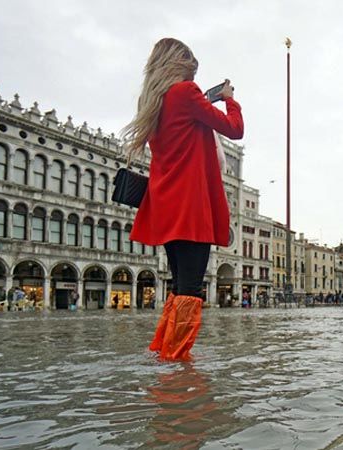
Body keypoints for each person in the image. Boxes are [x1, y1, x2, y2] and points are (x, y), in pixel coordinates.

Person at [125, 38, 243, 361]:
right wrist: (229, 100)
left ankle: (165, 355)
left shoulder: (152, 102)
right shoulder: (186, 94)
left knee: (179, 287)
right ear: (180, 66)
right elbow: (235, 129)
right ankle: (177, 367)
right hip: (190, 206)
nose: (193, 78)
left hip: (165, 205)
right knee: (190, 290)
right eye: (190, 70)